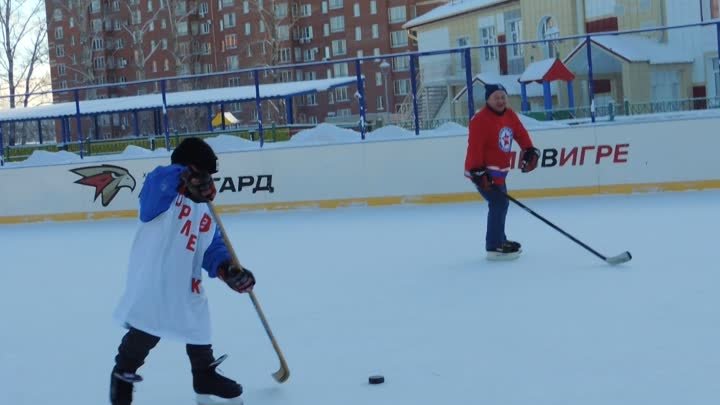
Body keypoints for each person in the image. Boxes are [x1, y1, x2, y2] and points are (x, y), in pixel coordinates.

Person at [110, 137, 256, 405]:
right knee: (148, 327)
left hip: (188, 281)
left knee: (199, 325)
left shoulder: (204, 208)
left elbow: (212, 247)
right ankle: (122, 373)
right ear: (190, 169)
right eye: (204, 175)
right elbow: (158, 182)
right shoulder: (162, 194)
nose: (208, 182)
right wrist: (183, 178)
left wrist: (229, 270)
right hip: (156, 278)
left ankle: (204, 375)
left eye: (209, 178)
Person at [464, 84, 540, 260]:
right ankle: (494, 245)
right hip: (484, 173)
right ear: (488, 100)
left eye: (502, 97)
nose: (500, 100)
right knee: (499, 204)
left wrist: (529, 149)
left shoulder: (509, 114)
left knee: (501, 205)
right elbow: (475, 148)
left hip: (500, 174)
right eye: (496, 97)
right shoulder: (480, 120)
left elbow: (520, 133)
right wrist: (478, 172)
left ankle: (500, 240)